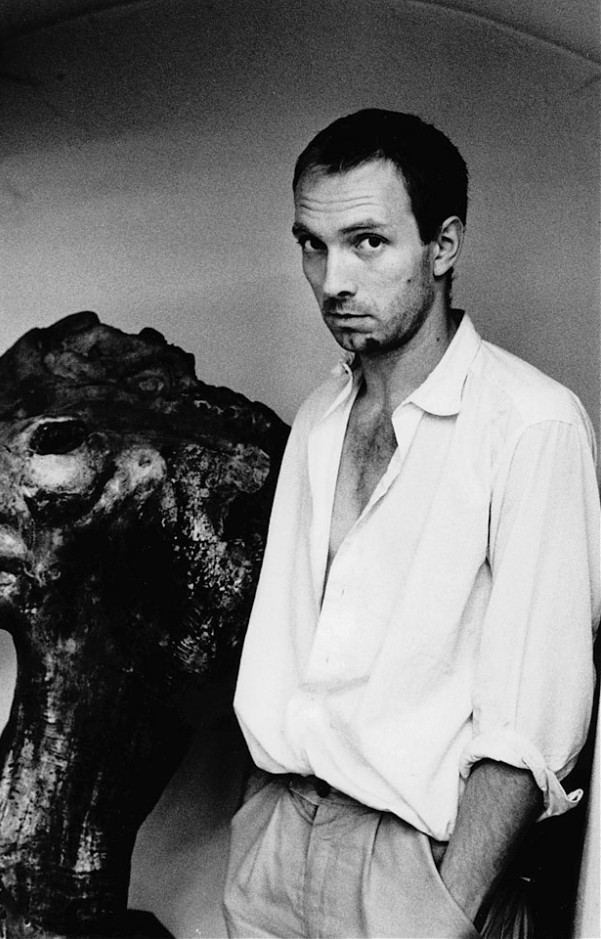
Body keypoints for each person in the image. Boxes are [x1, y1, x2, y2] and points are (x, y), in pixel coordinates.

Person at [222, 109, 600, 938]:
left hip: (417, 868)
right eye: (312, 245)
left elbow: (530, 726)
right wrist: (261, 828)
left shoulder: (532, 425)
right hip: (276, 840)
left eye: (367, 242)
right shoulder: (319, 418)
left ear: (443, 245)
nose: (333, 280)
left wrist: (444, 907)